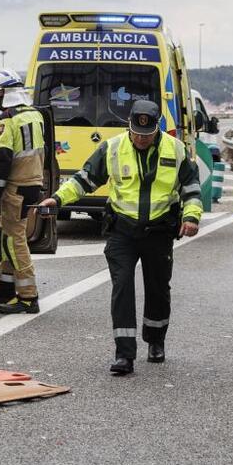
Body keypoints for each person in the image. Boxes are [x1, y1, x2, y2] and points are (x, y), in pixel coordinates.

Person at [39, 100, 202, 375]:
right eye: (137, 133)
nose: (141, 139)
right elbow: (85, 179)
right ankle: (124, 353)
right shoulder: (113, 147)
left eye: (147, 134)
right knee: (122, 286)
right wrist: (57, 199)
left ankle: (156, 340)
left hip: (160, 230)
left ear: (157, 129)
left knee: (158, 288)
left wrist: (191, 216)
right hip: (122, 230)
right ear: (129, 127)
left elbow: (192, 187)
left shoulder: (175, 149)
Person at [0, 69, 46, 314]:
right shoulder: (35, 114)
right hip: (33, 184)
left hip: (16, 187)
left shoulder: (8, 119)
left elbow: (4, 158)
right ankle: (5, 291)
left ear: (4, 92)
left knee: (15, 241)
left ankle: (28, 296)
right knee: (7, 237)